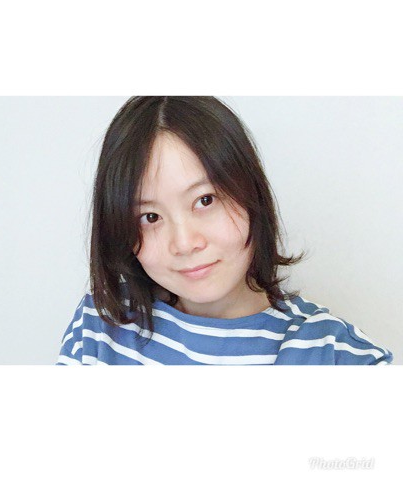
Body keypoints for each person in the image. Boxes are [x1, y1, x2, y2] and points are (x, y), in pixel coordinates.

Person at [56, 96, 393, 365]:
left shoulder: (337, 357)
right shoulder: (100, 326)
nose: (184, 243)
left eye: (205, 200)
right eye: (150, 217)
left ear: (251, 194)